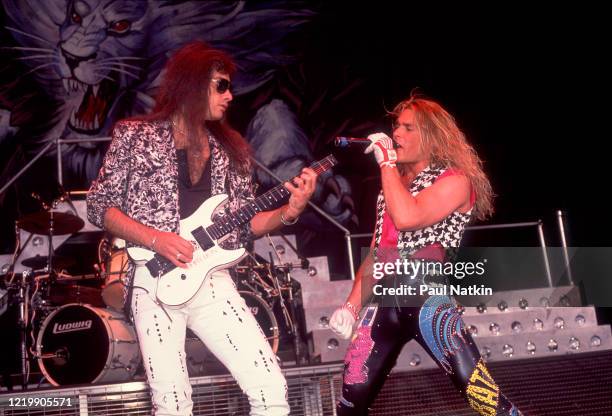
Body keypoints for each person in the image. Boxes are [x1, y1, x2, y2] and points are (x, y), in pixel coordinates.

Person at [87, 41, 318, 416]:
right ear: (192, 85)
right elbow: (100, 207)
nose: (231, 95)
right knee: (173, 404)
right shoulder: (135, 136)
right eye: (221, 86)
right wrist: (156, 239)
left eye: (230, 86)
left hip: (211, 280)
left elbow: (245, 226)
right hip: (154, 280)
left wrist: (289, 212)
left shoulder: (233, 150)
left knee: (270, 385)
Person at [329, 93, 523, 416]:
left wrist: (387, 164)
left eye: (407, 128)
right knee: (349, 403)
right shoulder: (391, 186)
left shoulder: (456, 180)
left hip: (425, 296)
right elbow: (380, 252)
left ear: (431, 137)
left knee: (485, 398)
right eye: (396, 127)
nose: (396, 135)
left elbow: (409, 216)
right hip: (385, 302)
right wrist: (350, 306)